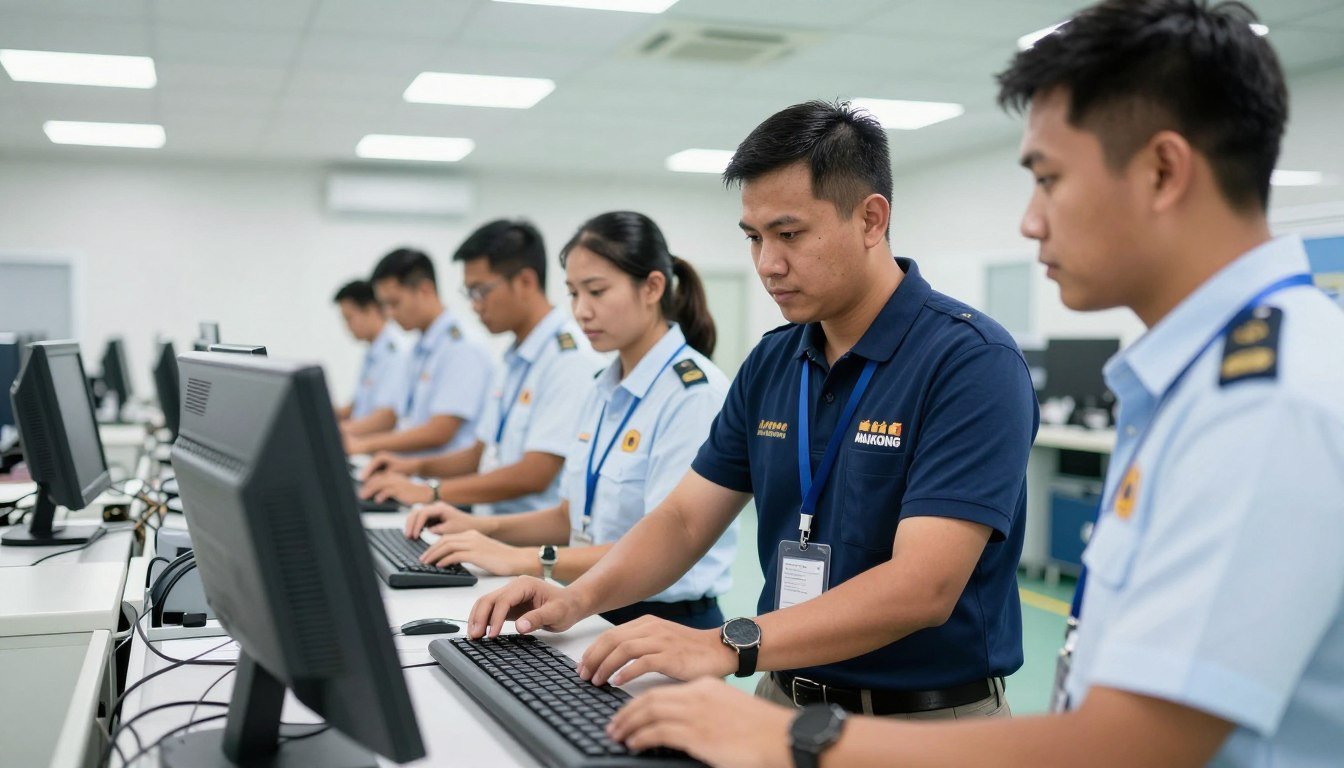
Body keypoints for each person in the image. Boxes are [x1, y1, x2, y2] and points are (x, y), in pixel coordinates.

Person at [604, 2, 1344, 767]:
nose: (1029, 222)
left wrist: (786, 730)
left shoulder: (1264, 402)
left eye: (1049, 179)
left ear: (1162, 171)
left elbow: (1138, 743)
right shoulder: (1197, 384)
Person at [467, 101, 1038, 720]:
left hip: (925, 720)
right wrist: (572, 599)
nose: (767, 264)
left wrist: (726, 643)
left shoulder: (969, 361)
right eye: (754, 238)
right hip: (781, 697)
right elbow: (685, 519)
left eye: (789, 234)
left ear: (871, 219)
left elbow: (922, 586)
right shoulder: (774, 361)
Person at [408, 211, 738, 630]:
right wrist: (482, 527)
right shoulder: (603, 385)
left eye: (597, 292)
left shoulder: (694, 394)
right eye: (573, 293)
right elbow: (570, 517)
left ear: (653, 287)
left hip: (664, 622)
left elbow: (661, 548)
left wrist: (527, 558)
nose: (581, 311)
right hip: (592, 603)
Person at [358, 220, 602, 514]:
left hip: (526, 545)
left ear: (525, 282)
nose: (474, 305)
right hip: (486, 527)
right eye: (469, 293)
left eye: (481, 291)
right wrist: (413, 466)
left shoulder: (568, 358)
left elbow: (534, 474)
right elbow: (481, 453)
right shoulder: (514, 356)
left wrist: (430, 491)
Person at [344, 248, 494, 457]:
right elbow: (399, 417)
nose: (389, 314)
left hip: (440, 483)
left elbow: (439, 431)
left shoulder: (462, 346)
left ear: (424, 290)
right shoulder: (417, 349)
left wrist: (364, 445)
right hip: (410, 475)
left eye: (394, 303)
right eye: (384, 305)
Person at [332, 279, 406, 424]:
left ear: (370, 310)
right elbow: (359, 405)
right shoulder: (373, 351)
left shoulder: (395, 352)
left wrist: (344, 432)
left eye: (349, 318)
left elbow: (387, 417)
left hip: (375, 442)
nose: (347, 327)